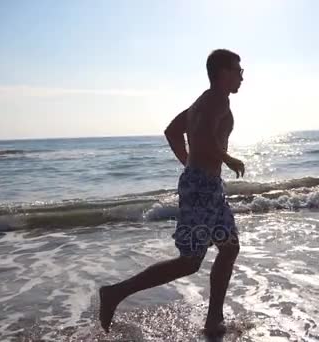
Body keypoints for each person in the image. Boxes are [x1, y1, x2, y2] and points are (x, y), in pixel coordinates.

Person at [98, 49, 245, 336]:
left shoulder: (203, 101)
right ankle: (115, 293)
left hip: (206, 186)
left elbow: (173, 131)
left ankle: (213, 320)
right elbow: (200, 136)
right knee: (190, 262)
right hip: (202, 188)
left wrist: (190, 165)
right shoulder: (215, 100)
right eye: (238, 70)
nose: (242, 76)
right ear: (223, 72)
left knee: (229, 248)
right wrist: (225, 160)